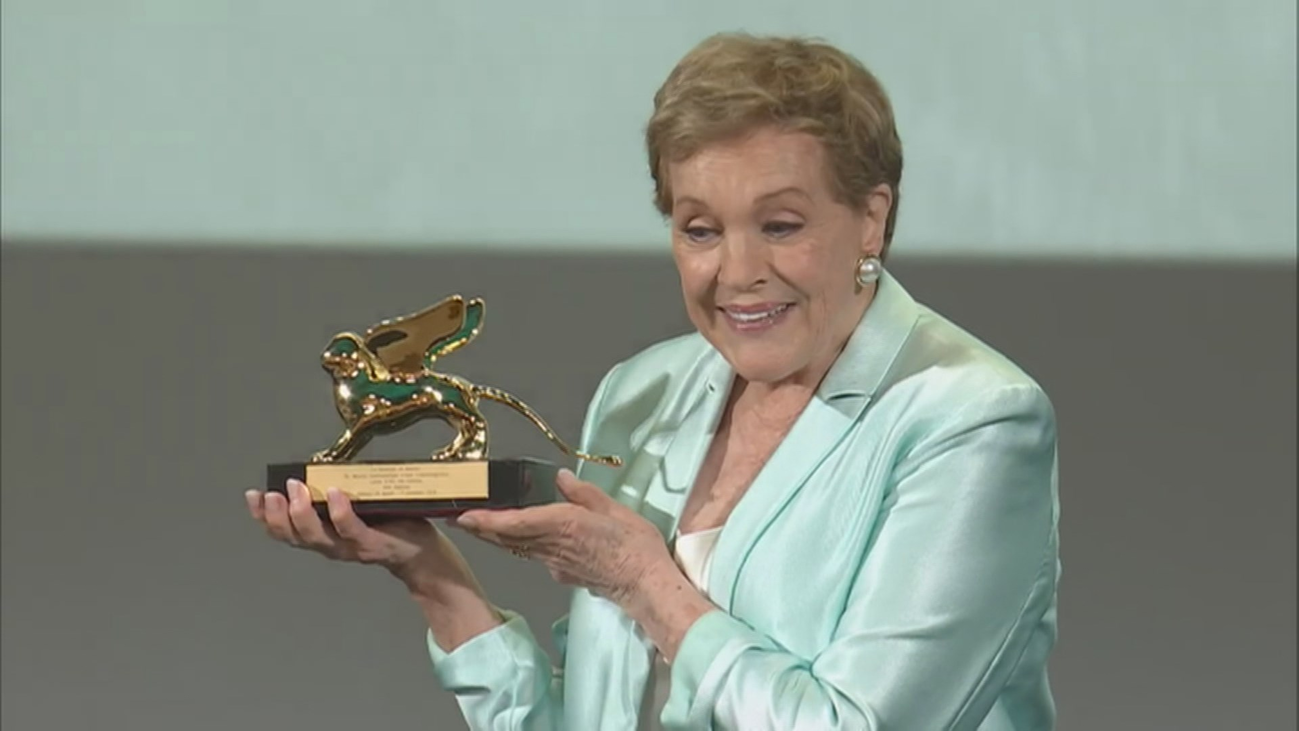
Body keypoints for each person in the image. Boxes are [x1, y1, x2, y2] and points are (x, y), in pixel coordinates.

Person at [246, 32, 1060, 730]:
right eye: (699, 228)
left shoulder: (971, 418)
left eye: (780, 225)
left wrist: (642, 579)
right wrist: (431, 576)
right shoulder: (640, 392)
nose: (737, 272)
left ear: (872, 217)